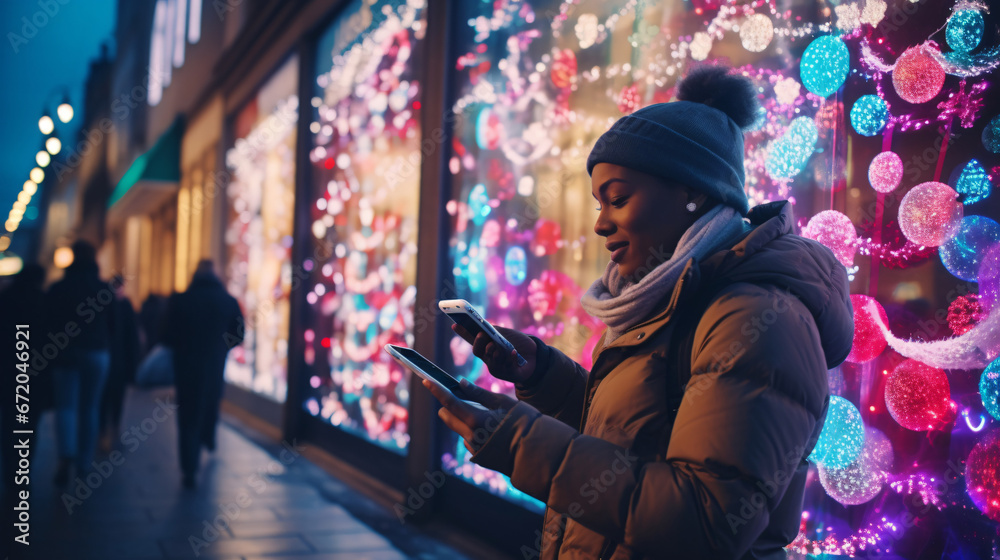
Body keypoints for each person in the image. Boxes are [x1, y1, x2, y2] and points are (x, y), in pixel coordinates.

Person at [422, 66, 854, 559]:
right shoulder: (668, 295)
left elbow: (705, 521)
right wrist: (543, 378)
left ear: (693, 193)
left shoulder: (756, 320)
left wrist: (521, 443)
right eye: (598, 203)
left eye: (619, 199)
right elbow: (639, 436)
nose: (601, 223)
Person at [163, 259, 243, 488]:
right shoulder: (227, 301)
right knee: (209, 404)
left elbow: (167, 334)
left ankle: (189, 466)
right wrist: (220, 347)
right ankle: (207, 438)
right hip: (214, 365)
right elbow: (239, 334)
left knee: (188, 414)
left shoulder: (181, 300)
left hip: (186, 366)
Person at [44, 241, 114, 486]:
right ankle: (84, 463)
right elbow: (114, 325)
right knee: (90, 408)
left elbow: (47, 322)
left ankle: (66, 457)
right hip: (97, 352)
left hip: (65, 353)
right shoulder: (103, 288)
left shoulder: (59, 288)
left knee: (65, 407)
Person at [99, 274, 141, 452]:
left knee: (107, 399)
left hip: (113, 360)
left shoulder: (106, 305)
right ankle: (109, 433)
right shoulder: (124, 306)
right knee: (113, 399)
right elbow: (133, 339)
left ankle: (107, 433)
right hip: (118, 362)